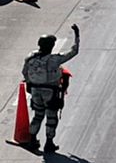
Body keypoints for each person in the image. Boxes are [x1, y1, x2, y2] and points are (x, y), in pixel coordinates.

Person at [20, 25, 79, 154]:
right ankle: (49, 143)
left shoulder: (30, 58)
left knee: (37, 115)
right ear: (51, 46)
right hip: (51, 92)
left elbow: (24, 73)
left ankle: (32, 140)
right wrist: (77, 36)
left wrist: (30, 84)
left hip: (35, 91)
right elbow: (73, 52)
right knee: (51, 117)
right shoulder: (54, 59)